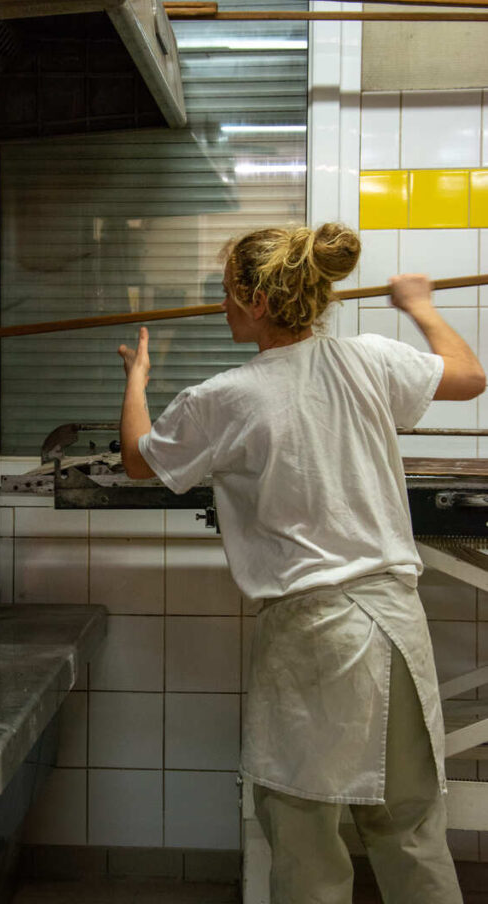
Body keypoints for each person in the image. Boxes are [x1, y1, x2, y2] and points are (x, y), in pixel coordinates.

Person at [117, 223, 485, 904]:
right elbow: (467, 376)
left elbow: (140, 458)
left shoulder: (223, 396)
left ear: (257, 300)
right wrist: (418, 305)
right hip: (394, 626)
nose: (220, 304)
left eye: (227, 292)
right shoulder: (368, 359)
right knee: (406, 826)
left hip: (316, 631)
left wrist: (135, 378)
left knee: (301, 831)